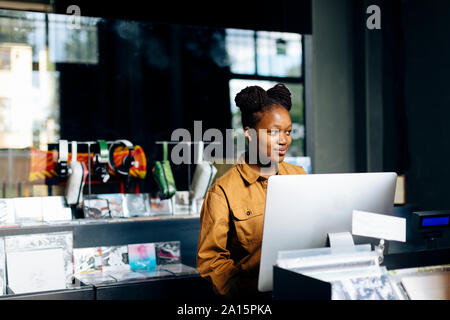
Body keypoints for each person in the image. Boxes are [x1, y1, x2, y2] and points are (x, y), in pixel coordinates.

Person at [196, 83, 307, 299]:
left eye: (288, 132)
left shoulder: (300, 176)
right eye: (273, 132)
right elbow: (211, 263)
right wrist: (247, 296)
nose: (284, 140)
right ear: (249, 134)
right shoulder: (223, 192)